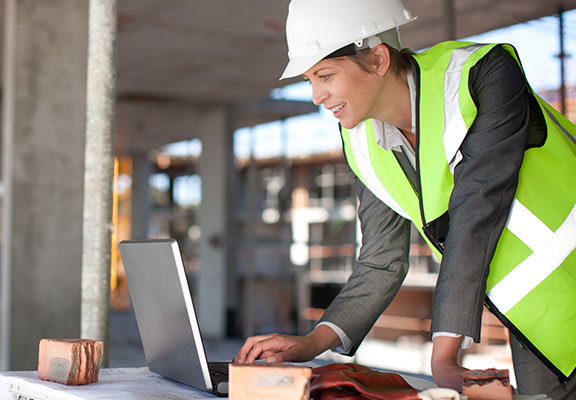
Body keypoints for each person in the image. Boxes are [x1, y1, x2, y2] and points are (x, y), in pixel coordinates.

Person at [233, 0, 576, 398]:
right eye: (309, 80)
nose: (315, 96)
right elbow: (381, 260)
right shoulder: (362, 140)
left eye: (325, 75)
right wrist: (313, 342)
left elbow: (476, 210)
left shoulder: (481, 75)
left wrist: (443, 357)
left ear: (378, 59)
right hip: (539, 320)